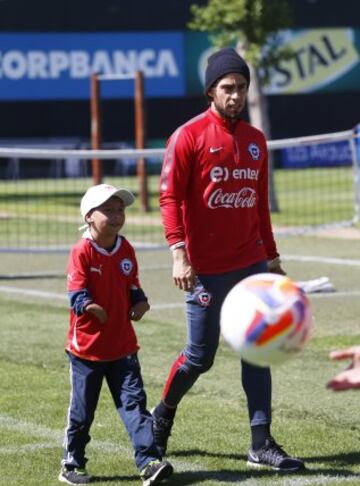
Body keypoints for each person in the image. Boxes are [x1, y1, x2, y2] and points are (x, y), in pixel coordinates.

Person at [151, 47, 304, 472]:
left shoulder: (256, 142)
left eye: (241, 87)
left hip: (250, 264)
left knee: (258, 348)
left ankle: (261, 442)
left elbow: (259, 208)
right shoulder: (188, 136)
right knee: (200, 357)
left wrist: (271, 258)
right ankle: (161, 416)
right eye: (227, 88)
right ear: (211, 91)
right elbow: (169, 198)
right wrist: (179, 254)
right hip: (203, 269)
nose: (235, 95)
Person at [59, 184, 173, 486]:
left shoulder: (125, 248)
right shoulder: (82, 250)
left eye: (120, 209)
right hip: (87, 351)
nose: (117, 215)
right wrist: (90, 306)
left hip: (123, 346)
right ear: (89, 216)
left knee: (134, 406)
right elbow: (76, 294)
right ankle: (72, 463)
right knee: (82, 413)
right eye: (108, 210)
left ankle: (149, 462)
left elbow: (132, 284)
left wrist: (140, 301)